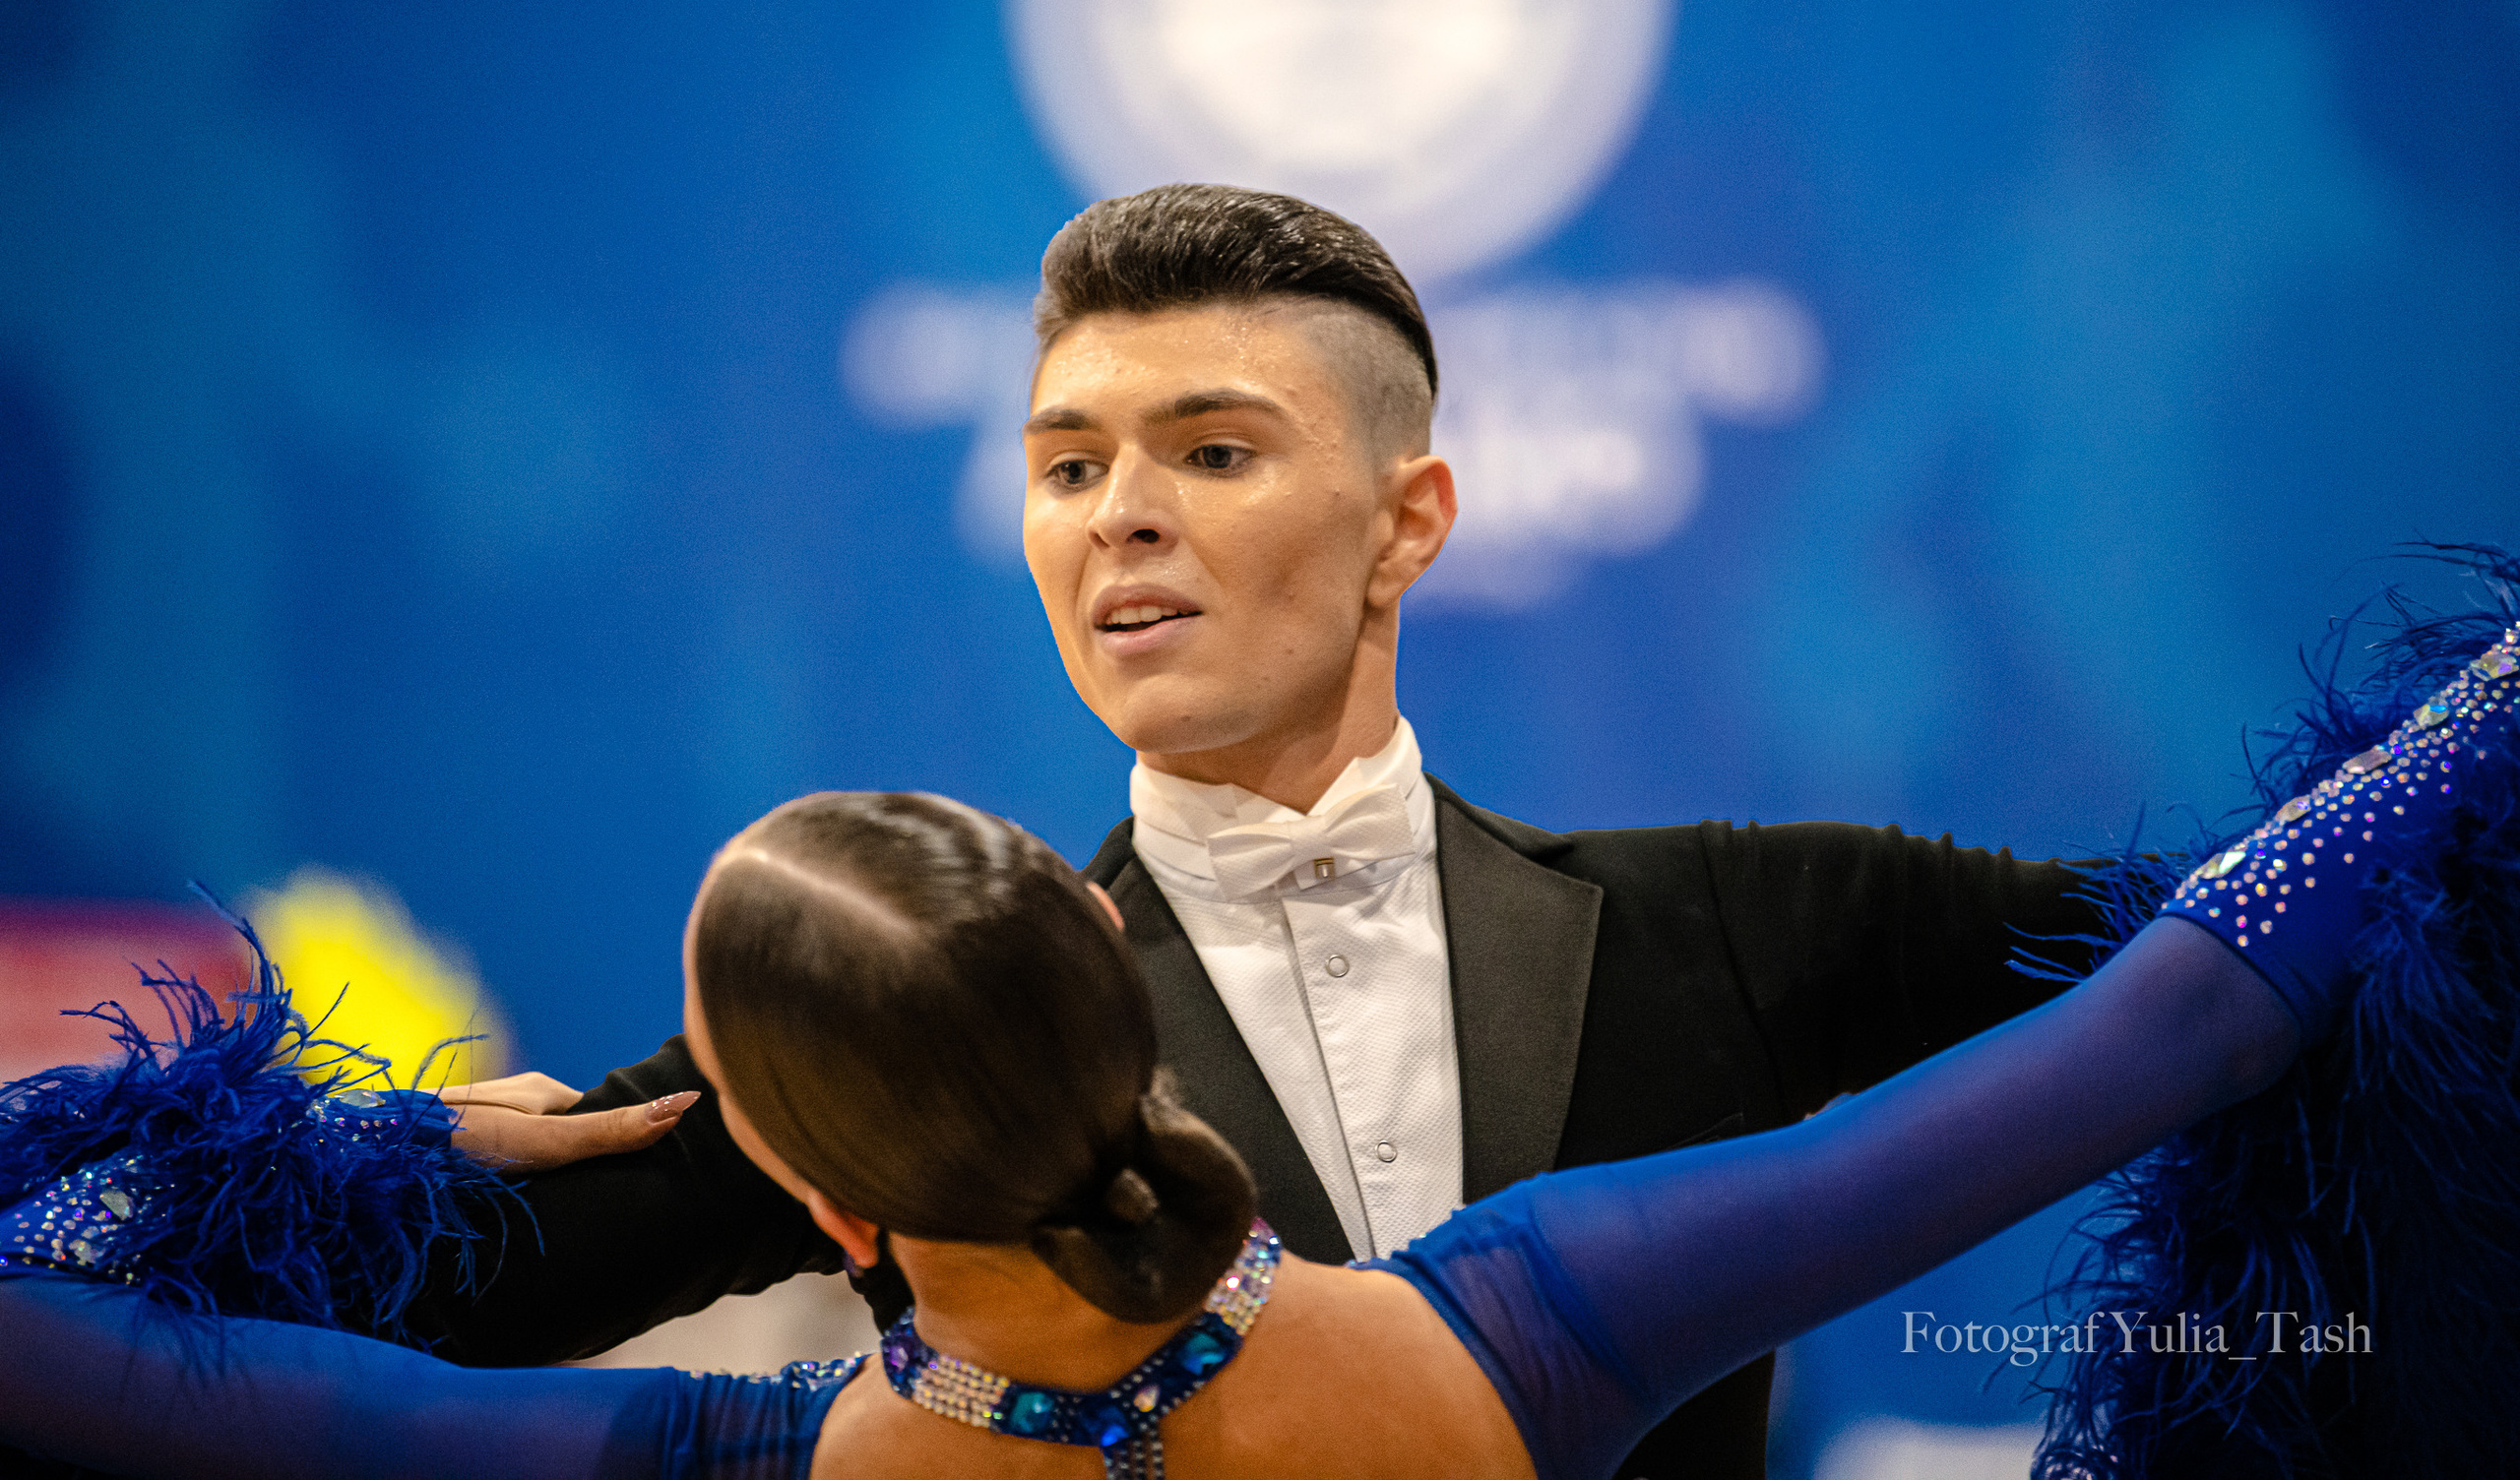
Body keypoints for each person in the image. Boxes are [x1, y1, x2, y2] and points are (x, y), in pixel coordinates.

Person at [412, 186, 2110, 1479]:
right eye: (1068, 469)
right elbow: (392, 1310)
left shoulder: (1744, 917)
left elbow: (2256, 970)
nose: (1123, 515)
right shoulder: (937, 1016)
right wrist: (357, 1158)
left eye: (1212, 450)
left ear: (1408, 522)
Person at [2, 617, 2514, 1479]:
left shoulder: (685, 1448)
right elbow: (2193, 999)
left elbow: (80, 1342)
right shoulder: (1541, 1325)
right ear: (1118, 1008)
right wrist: (2491, 691)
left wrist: (341, 1129)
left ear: (784, 1165)